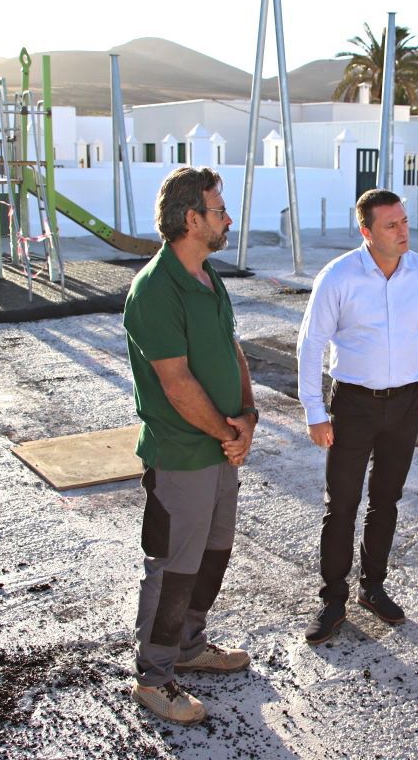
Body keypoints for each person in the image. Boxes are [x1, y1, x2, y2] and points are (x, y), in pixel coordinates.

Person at [297, 188, 418, 644]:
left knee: (386, 500)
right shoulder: (339, 277)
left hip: (407, 402)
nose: (403, 231)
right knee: (342, 505)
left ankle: (373, 588)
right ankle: (333, 599)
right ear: (366, 231)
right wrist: (315, 411)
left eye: (404, 221)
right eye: (391, 225)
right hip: (353, 403)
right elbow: (310, 344)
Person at [122, 166, 258, 724]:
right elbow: (177, 386)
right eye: (218, 210)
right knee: (173, 568)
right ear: (190, 219)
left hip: (222, 448)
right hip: (182, 456)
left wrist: (248, 416)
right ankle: (155, 678)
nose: (227, 218)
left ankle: (189, 645)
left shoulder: (207, 275)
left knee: (215, 552)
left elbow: (232, 350)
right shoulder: (154, 290)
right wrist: (229, 435)